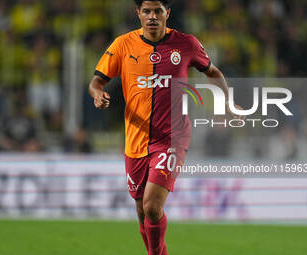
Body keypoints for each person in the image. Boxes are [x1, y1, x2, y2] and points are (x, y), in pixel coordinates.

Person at [89, 1, 243, 254]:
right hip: (136, 140)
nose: (152, 17)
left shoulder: (186, 44)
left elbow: (213, 72)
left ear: (167, 13)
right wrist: (98, 93)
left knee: (151, 206)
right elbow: (97, 81)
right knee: (141, 211)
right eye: (146, 11)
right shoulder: (122, 44)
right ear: (138, 13)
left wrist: (228, 102)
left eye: (157, 11)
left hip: (172, 138)